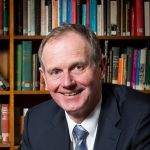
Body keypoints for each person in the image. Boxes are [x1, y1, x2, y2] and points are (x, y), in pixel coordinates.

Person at [21, 24, 150, 150]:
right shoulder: (35, 121)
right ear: (44, 77)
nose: (67, 83)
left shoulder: (142, 116)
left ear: (101, 67)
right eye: (56, 72)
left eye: (78, 67)